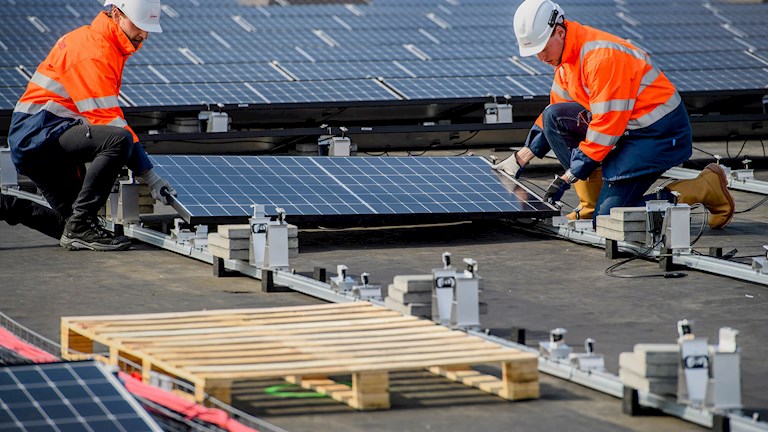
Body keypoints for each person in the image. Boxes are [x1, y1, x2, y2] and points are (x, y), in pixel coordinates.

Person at [493, 0, 734, 229]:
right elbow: (555, 114)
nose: (541, 57)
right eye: (536, 52)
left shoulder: (601, 58)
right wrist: (519, 158)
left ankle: (705, 187)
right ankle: (591, 203)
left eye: (544, 48)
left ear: (559, 31)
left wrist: (568, 177)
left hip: (657, 135)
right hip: (626, 130)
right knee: (554, 117)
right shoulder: (566, 62)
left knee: (609, 220)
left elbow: (605, 129)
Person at [6, 0, 177, 251]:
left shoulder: (106, 46)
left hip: (45, 136)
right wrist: (149, 175)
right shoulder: (92, 50)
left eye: (149, 28)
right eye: (139, 25)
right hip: (39, 133)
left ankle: (7, 207)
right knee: (118, 139)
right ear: (117, 14)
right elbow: (109, 120)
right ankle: (81, 225)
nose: (145, 34)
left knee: (70, 225)